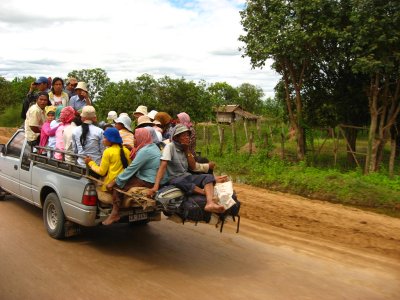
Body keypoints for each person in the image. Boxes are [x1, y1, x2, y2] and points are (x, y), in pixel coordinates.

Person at [147, 124, 225, 213]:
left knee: (208, 177)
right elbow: (163, 166)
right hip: (174, 178)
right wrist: (155, 186)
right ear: (176, 138)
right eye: (184, 135)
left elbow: (193, 166)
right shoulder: (170, 147)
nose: (187, 137)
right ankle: (204, 193)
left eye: (188, 135)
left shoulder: (184, 148)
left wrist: (187, 150)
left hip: (186, 176)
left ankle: (210, 203)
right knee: (181, 182)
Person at [106, 128, 168, 225]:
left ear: (141, 138)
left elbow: (131, 169)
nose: (134, 140)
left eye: (135, 138)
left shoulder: (145, 151)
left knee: (118, 186)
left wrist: (115, 181)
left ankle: (115, 213)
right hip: (154, 177)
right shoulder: (152, 146)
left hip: (149, 179)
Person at [84, 127, 131, 225]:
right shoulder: (126, 150)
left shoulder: (108, 152)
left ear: (111, 139)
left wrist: (90, 163)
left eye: (105, 138)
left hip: (111, 184)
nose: (103, 140)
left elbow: (101, 172)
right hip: (125, 182)